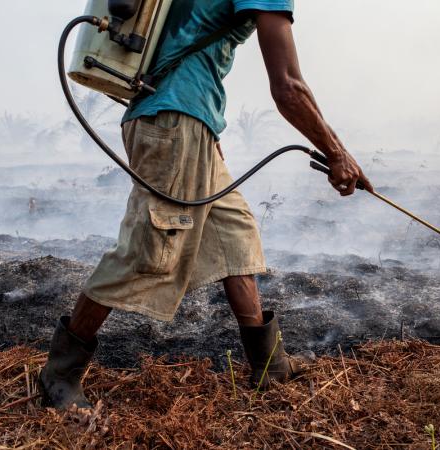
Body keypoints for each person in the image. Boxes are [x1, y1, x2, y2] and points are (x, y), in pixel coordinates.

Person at [40, 0, 373, 409]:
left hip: (184, 123)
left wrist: (203, 133)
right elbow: (288, 85)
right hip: (176, 122)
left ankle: (270, 364)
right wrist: (337, 153)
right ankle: (60, 374)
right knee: (147, 254)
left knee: (235, 236)